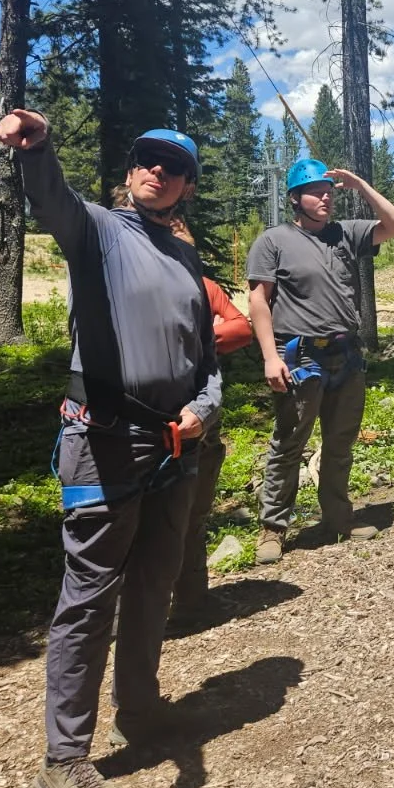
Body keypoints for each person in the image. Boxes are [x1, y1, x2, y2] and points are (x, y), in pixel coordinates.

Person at [0, 109, 220, 788]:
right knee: (90, 599)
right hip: (103, 441)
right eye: (147, 160)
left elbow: (207, 360)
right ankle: (64, 759)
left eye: (173, 167)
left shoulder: (186, 257)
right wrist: (37, 148)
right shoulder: (95, 230)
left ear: (185, 185)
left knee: (154, 581)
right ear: (130, 172)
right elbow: (53, 198)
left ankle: (142, 710)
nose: (158, 171)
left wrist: (205, 410)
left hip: (173, 447)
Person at [246, 157, 394, 564]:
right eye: (316, 192)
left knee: (340, 443)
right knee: (287, 444)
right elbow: (259, 301)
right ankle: (272, 529)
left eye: (328, 191)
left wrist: (359, 185)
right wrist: (269, 357)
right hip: (300, 356)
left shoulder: (345, 234)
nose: (325, 197)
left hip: (346, 355)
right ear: (295, 199)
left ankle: (337, 517)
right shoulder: (273, 241)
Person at [164, 215, 253, 624]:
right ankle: (140, 606)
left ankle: (192, 600)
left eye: (183, 230)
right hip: (146, 419)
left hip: (202, 424)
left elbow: (241, 329)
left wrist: (193, 338)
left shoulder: (205, 287)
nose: (179, 236)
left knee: (195, 513)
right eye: (169, 229)